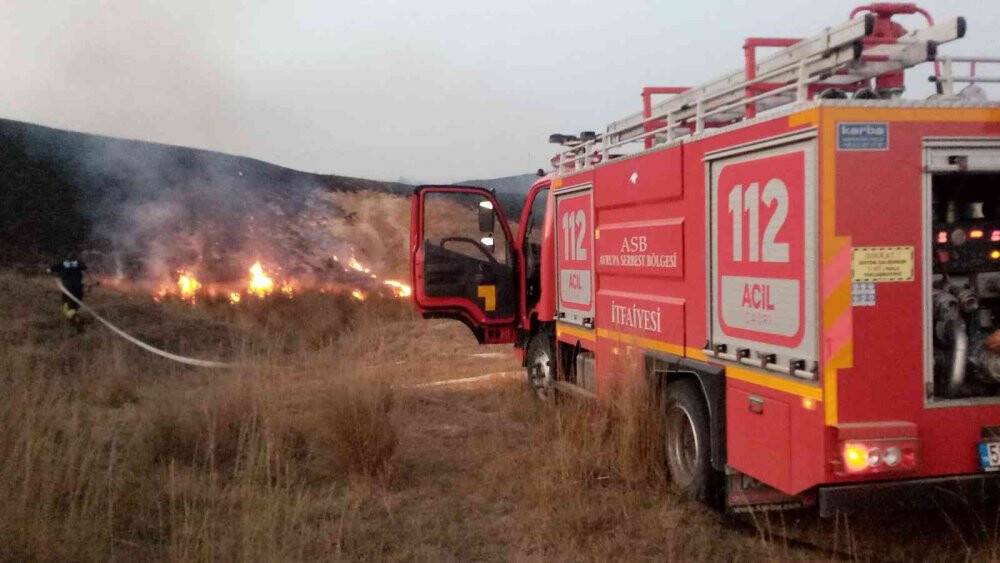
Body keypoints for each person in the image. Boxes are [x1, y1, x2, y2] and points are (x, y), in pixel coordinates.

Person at [49, 253, 88, 325]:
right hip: (78, 289)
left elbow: (51, 269)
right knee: (74, 305)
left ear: (67, 258)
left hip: (67, 290)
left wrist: (49, 271)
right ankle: (74, 317)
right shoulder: (78, 263)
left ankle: (74, 318)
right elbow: (85, 268)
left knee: (66, 306)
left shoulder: (63, 264)